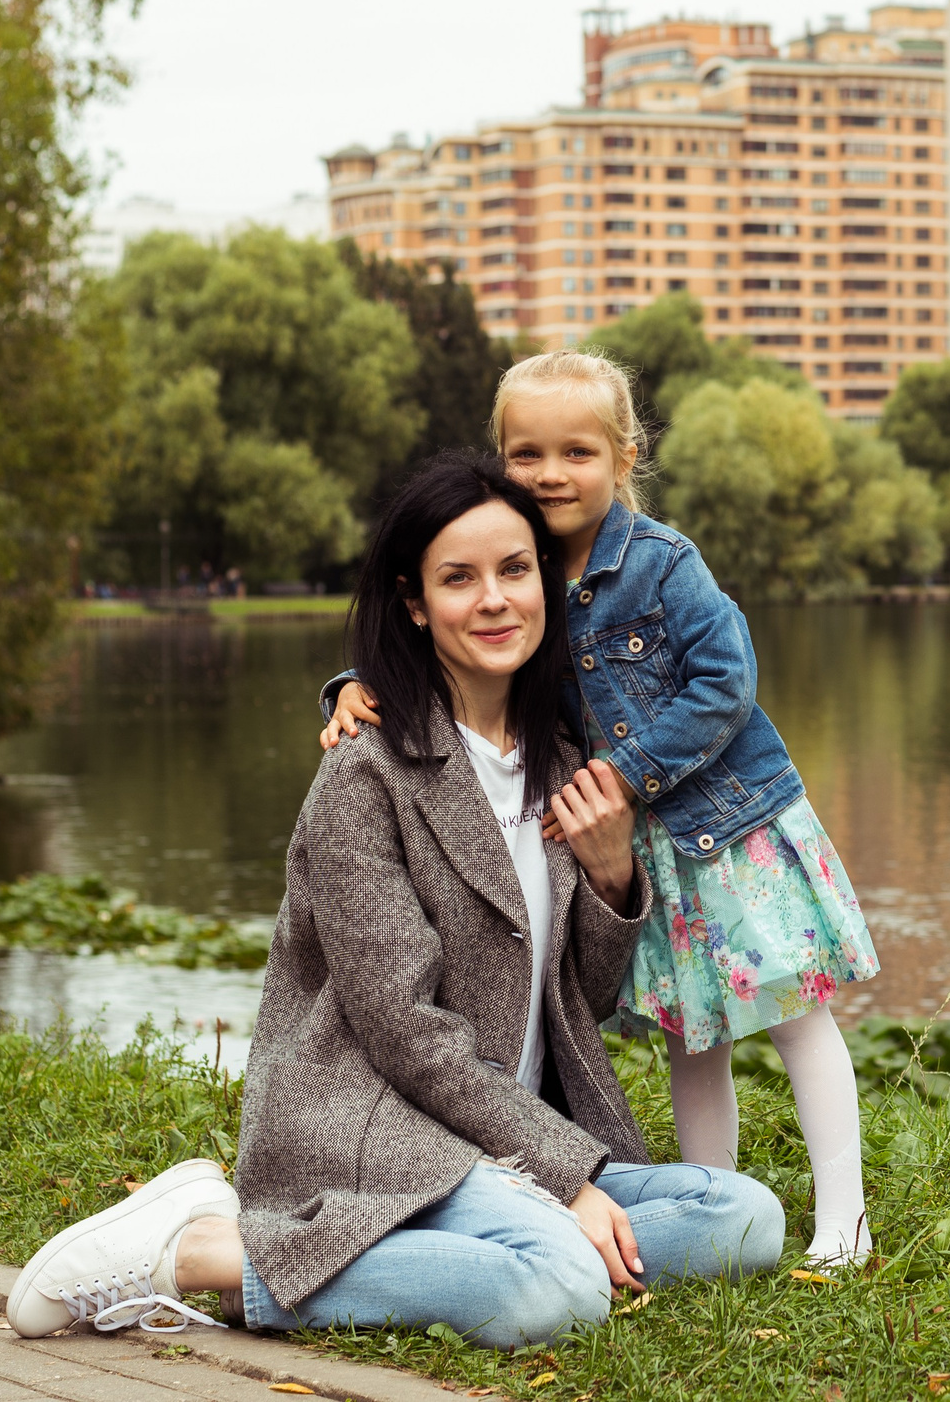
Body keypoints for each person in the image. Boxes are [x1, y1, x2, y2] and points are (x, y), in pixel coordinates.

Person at [7, 452, 783, 1347]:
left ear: (544, 582)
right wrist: (565, 1179)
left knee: (745, 1216)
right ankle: (203, 1254)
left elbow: (583, 1000)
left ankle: (410, 1254)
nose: (494, 599)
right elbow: (406, 1033)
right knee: (560, 1287)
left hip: (515, 1133)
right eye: (459, 578)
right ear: (415, 601)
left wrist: (611, 876)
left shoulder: (566, 759)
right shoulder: (366, 773)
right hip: (385, 1128)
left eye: (515, 569)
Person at [320, 352, 880, 1263]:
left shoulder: (660, 562)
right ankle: (713, 1200)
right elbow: (448, 636)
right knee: (691, 1035)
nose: (550, 473)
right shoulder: (524, 568)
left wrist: (624, 772)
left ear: (624, 457)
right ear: (500, 458)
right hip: (639, 849)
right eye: (527, 453)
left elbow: (727, 680)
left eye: (576, 452)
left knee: (795, 1018)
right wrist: (353, 683)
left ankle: (844, 1223)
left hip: (729, 829)